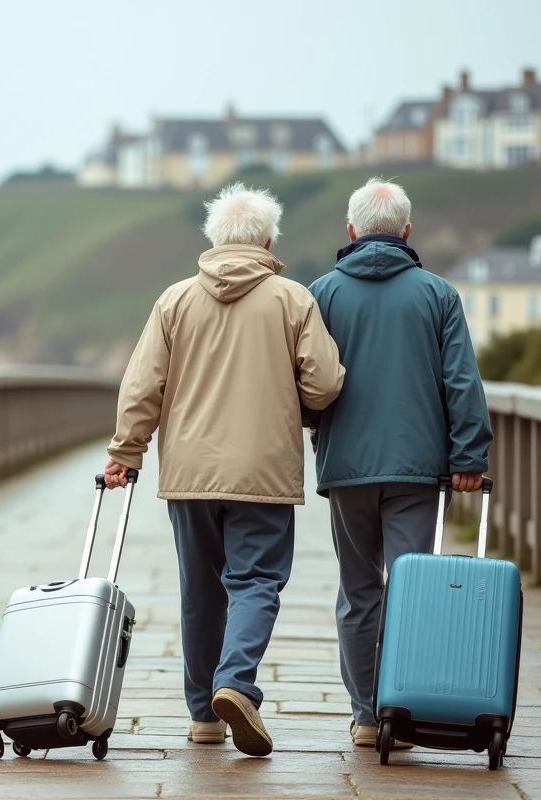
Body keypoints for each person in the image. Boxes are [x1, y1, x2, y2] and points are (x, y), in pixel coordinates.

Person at [104, 183, 344, 757]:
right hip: (262, 471)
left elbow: (143, 386)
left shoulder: (175, 300)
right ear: (266, 240)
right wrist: (293, 404)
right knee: (256, 582)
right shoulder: (293, 299)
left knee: (201, 592)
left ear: (215, 239)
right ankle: (235, 683)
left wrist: (125, 451)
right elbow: (325, 382)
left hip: (188, 472)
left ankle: (203, 718)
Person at [305, 178, 492, 750]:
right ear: (407, 232)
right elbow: (461, 381)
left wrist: (318, 430)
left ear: (351, 231)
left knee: (359, 592)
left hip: (347, 469)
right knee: (412, 591)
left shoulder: (321, 293)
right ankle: (402, 709)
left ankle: (366, 716)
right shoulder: (438, 295)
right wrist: (469, 456)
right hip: (417, 471)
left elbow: (308, 381)